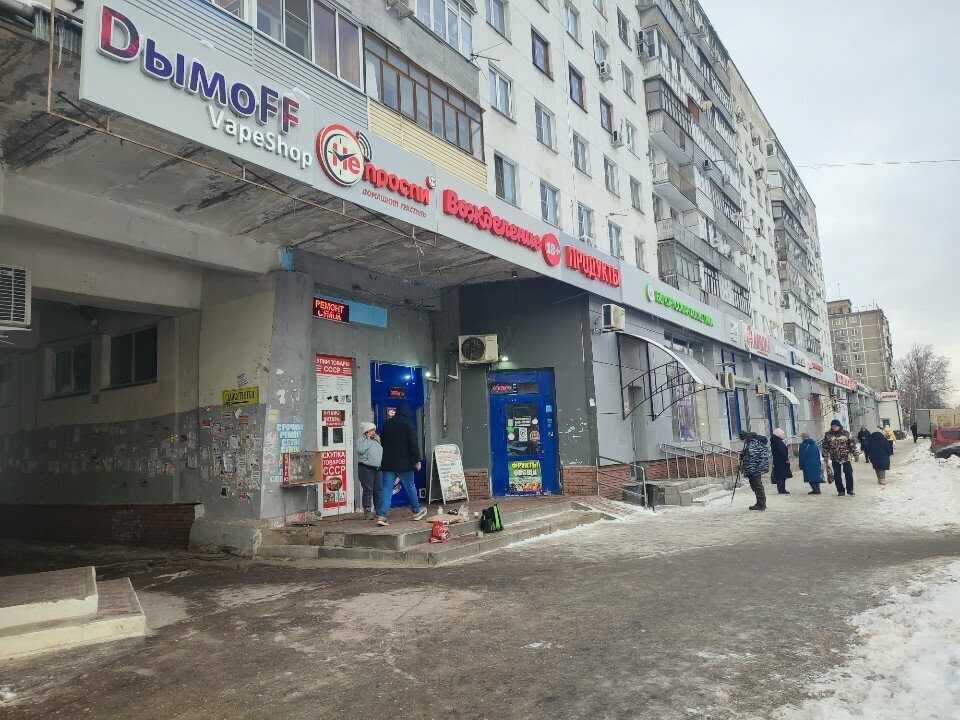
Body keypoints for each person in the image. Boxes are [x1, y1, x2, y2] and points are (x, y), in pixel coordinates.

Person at [377, 402, 427, 526]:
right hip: (405, 464)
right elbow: (413, 443)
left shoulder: (387, 424)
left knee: (387, 488)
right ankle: (417, 511)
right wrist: (417, 460)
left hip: (388, 462)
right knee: (410, 486)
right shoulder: (408, 424)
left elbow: (382, 442)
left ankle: (382, 516)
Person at [821, 420, 859, 497]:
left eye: (835, 426)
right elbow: (825, 446)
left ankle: (850, 490)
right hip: (835, 457)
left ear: (839, 426)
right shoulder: (828, 435)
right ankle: (841, 491)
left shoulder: (846, 433)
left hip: (845, 457)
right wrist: (825, 455)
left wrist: (855, 454)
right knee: (837, 475)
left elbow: (852, 444)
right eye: (832, 426)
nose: (834, 427)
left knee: (848, 473)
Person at [355, 422, 383, 520]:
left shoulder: (376, 440)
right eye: (371, 430)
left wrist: (380, 441)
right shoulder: (361, 440)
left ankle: (378, 510)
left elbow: (384, 451)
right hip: (366, 468)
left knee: (378, 490)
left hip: (378, 468)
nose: (373, 432)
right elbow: (360, 450)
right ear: (366, 431)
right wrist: (368, 440)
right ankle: (367, 511)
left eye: (374, 430)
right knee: (368, 490)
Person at [739, 430, 771, 511]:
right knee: (755, 486)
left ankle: (762, 504)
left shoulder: (752, 444)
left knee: (757, 485)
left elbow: (752, 458)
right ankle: (759, 502)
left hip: (755, 469)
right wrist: (744, 455)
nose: (743, 442)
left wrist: (751, 471)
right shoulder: (751, 443)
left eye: (742, 440)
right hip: (755, 468)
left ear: (744, 438)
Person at [770, 428, 793, 494]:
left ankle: (781, 489)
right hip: (781, 461)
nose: (783, 436)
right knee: (781, 476)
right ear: (778, 434)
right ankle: (781, 490)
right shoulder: (778, 441)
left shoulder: (775, 440)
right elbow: (782, 451)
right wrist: (786, 459)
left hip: (778, 461)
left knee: (780, 475)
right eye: (782, 434)